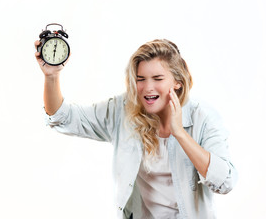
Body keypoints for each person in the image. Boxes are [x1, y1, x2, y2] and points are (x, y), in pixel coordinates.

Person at [34, 39, 237, 219]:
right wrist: (51, 76)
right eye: (141, 79)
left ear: (177, 82)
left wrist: (180, 133)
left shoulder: (204, 118)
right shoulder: (123, 110)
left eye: (157, 79)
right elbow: (62, 118)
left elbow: (225, 181)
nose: (148, 88)